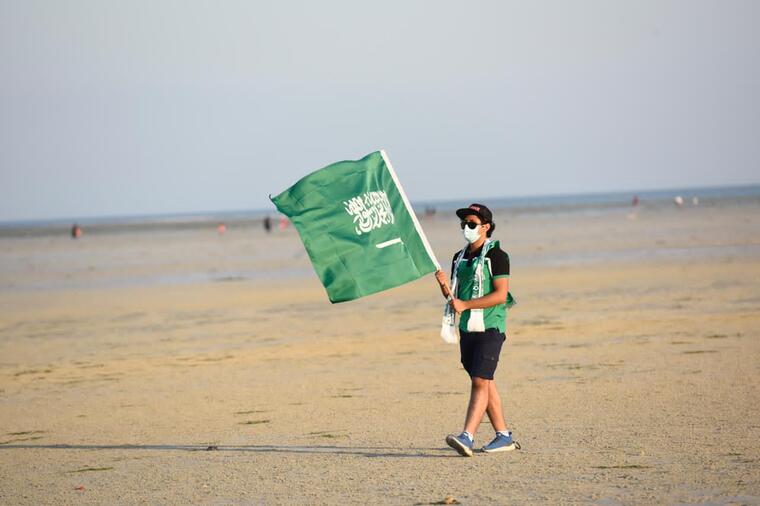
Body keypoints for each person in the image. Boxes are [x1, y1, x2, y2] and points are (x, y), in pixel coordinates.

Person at [434, 203, 517, 456]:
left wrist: (466, 304)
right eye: (464, 224)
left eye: (471, 224)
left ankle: (467, 436)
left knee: (480, 380)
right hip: (467, 329)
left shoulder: (498, 256)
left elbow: (500, 295)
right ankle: (503, 436)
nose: (466, 228)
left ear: (486, 227)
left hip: (490, 326)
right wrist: (444, 286)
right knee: (485, 381)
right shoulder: (458, 258)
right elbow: (455, 299)